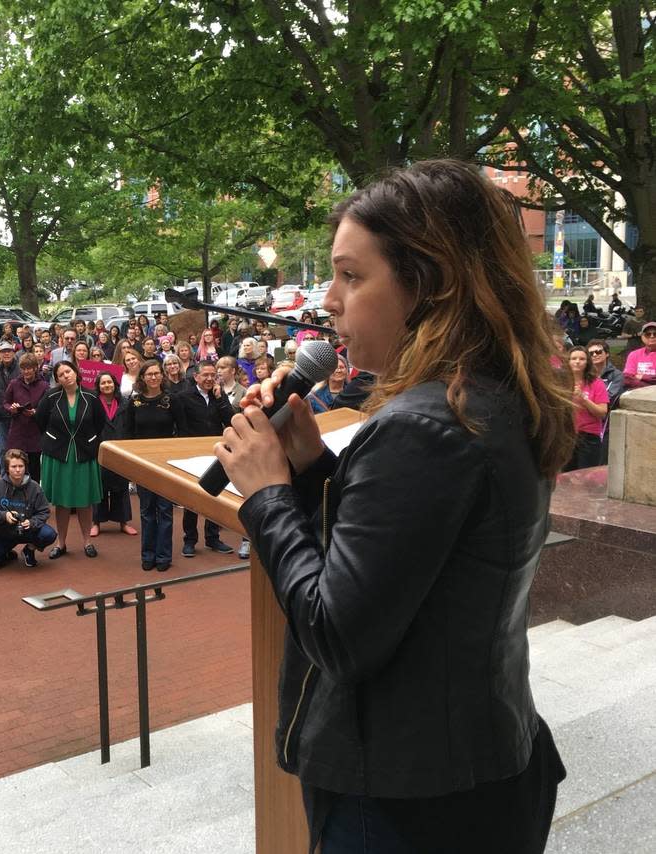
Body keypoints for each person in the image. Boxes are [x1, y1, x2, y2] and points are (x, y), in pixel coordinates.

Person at [216, 160, 572, 853]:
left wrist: (266, 495)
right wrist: (313, 464)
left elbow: (339, 631)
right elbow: (412, 558)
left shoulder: (422, 425)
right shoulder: (488, 396)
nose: (328, 300)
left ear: (429, 284)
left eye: (352, 275)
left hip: (404, 801)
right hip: (475, 765)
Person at [37, 360, 105, 559]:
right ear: (57, 379)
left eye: (68, 371)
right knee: (62, 501)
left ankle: (87, 542)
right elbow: (40, 421)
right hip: (59, 454)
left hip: (84, 452)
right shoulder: (51, 397)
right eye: (60, 374)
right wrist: (53, 440)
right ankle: (61, 543)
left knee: (85, 501)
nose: (65, 376)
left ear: (76, 372)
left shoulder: (91, 396)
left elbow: (99, 423)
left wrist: (89, 440)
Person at [123, 359, 182, 571]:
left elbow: (181, 431)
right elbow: (128, 434)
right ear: (143, 378)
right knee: (147, 511)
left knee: (165, 510)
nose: (153, 377)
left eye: (157, 373)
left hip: (166, 463)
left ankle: (164, 556)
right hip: (143, 464)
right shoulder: (134, 402)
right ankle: (148, 555)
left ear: (162, 376)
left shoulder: (171, 400)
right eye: (149, 374)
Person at [174, 359, 235, 558]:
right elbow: (181, 426)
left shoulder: (219, 395)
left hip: (217, 452)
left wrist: (221, 399)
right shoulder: (183, 397)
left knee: (215, 495)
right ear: (196, 376)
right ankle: (189, 540)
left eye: (213, 375)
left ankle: (213, 537)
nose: (210, 379)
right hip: (192, 454)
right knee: (192, 498)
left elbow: (231, 420)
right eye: (206, 375)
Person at [0, 448, 58, 572]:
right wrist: (4, 516)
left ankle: (29, 550)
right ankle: (6, 555)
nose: (18, 470)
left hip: (28, 531)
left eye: (21, 466)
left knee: (49, 534)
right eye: (14, 466)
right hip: (4, 534)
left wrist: (32, 522)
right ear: (7, 468)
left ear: (25, 467)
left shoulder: (35, 487)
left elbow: (44, 511)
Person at [91, 370, 137, 537]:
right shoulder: (93, 404)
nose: (106, 385)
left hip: (120, 450)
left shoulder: (125, 403)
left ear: (115, 384)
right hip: (99, 450)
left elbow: (130, 426)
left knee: (121, 487)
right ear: (98, 386)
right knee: (99, 487)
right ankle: (96, 522)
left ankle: (123, 522)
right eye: (103, 383)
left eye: (109, 382)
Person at [3, 352, 47, 480]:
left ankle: (33, 498)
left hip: (35, 434)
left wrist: (35, 412)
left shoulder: (43, 386)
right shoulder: (14, 383)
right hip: (17, 433)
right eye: (23, 368)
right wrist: (12, 409)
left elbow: (47, 409)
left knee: (34, 471)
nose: (26, 371)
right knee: (15, 467)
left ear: (35, 368)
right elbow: (5, 402)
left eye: (29, 368)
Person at [565, 345, 609, 471]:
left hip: (589, 437)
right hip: (567, 436)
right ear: (567, 361)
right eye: (573, 358)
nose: (577, 361)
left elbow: (602, 413)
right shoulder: (561, 382)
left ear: (587, 362)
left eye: (582, 359)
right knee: (566, 477)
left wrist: (584, 400)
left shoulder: (596, 383)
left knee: (586, 477)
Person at [0, 340, 20, 471]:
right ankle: (4, 476)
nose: (6, 354)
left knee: (17, 449)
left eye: (9, 351)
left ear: (13, 353)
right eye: (3, 352)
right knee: (3, 448)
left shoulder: (20, 369)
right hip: (0, 415)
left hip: (17, 415)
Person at [622, 320, 656, 387]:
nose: (652, 336)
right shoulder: (634, 355)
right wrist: (650, 382)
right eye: (648, 334)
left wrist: (642, 377)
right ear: (642, 337)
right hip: (637, 394)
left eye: (655, 334)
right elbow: (627, 379)